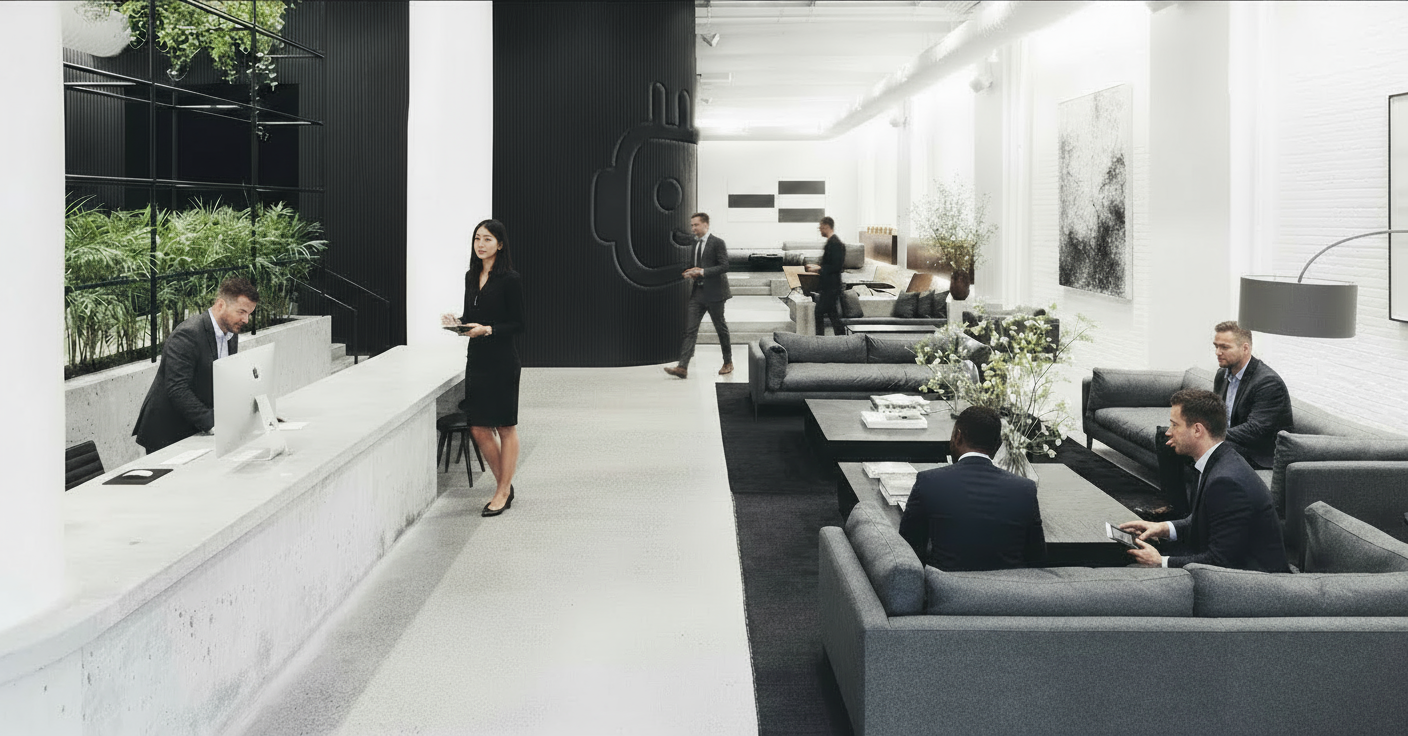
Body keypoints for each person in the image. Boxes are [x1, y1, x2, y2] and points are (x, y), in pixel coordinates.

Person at [1122, 389, 1289, 571]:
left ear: (1197, 430)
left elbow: (1220, 562)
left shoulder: (1226, 483)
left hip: (1255, 587)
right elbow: (1201, 521)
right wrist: (1162, 528)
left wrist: (1160, 562)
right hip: (1235, 573)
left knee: (1131, 569)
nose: (1169, 432)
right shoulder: (1220, 460)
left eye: (1174, 425)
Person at [1154, 321, 1292, 516]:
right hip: (1229, 439)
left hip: (1257, 452)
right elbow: (1214, 413)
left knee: (1203, 448)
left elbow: (1256, 430)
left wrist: (1209, 436)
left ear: (1245, 348)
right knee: (1165, 437)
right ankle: (1177, 509)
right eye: (1216, 346)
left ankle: (1196, 518)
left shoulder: (1267, 383)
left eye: (1224, 347)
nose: (1218, 352)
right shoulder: (1223, 374)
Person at [441, 219, 525, 517]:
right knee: (478, 427)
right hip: (476, 359)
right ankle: (505, 483)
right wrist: (458, 324)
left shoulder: (510, 279)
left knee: (504, 426)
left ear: (500, 245)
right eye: (477, 238)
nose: (481, 244)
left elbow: (518, 324)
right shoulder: (470, 275)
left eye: (488, 239)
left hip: (502, 360)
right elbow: (473, 316)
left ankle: (502, 491)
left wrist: (488, 330)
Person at [898, 406, 1047, 571]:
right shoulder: (1025, 489)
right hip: (1009, 593)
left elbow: (908, 550)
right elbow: (1036, 558)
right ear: (997, 445)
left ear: (957, 436)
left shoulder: (928, 481)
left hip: (945, 591)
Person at [132, 277, 259, 454]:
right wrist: (213, 422)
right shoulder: (188, 334)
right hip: (168, 431)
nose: (246, 320)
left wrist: (252, 413)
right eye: (241, 312)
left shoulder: (231, 332)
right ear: (221, 305)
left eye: (249, 314)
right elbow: (177, 388)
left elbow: (223, 380)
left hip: (195, 427)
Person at [664, 212, 733, 378]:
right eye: (692, 225)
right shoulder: (695, 243)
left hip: (715, 293)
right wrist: (690, 271)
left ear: (705, 225)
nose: (693, 228)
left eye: (695, 225)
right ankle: (682, 367)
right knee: (690, 330)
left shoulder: (717, 242)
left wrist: (702, 271)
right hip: (698, 293)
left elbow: (724, 266)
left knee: (720, 328)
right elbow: (696, 265)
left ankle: (728, 362)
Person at [806, 216, 846, 336]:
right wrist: (817, 266)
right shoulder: (832, 242)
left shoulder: (835, 244)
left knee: (818, 312)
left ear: (826, 227)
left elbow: (837, 266)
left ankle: (820, 340)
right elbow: (830, 263)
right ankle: (842, 338)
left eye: (821, 228)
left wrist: (818, 268)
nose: (820, 231)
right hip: (830, 286)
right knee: (833, 315)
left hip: (831, 287)